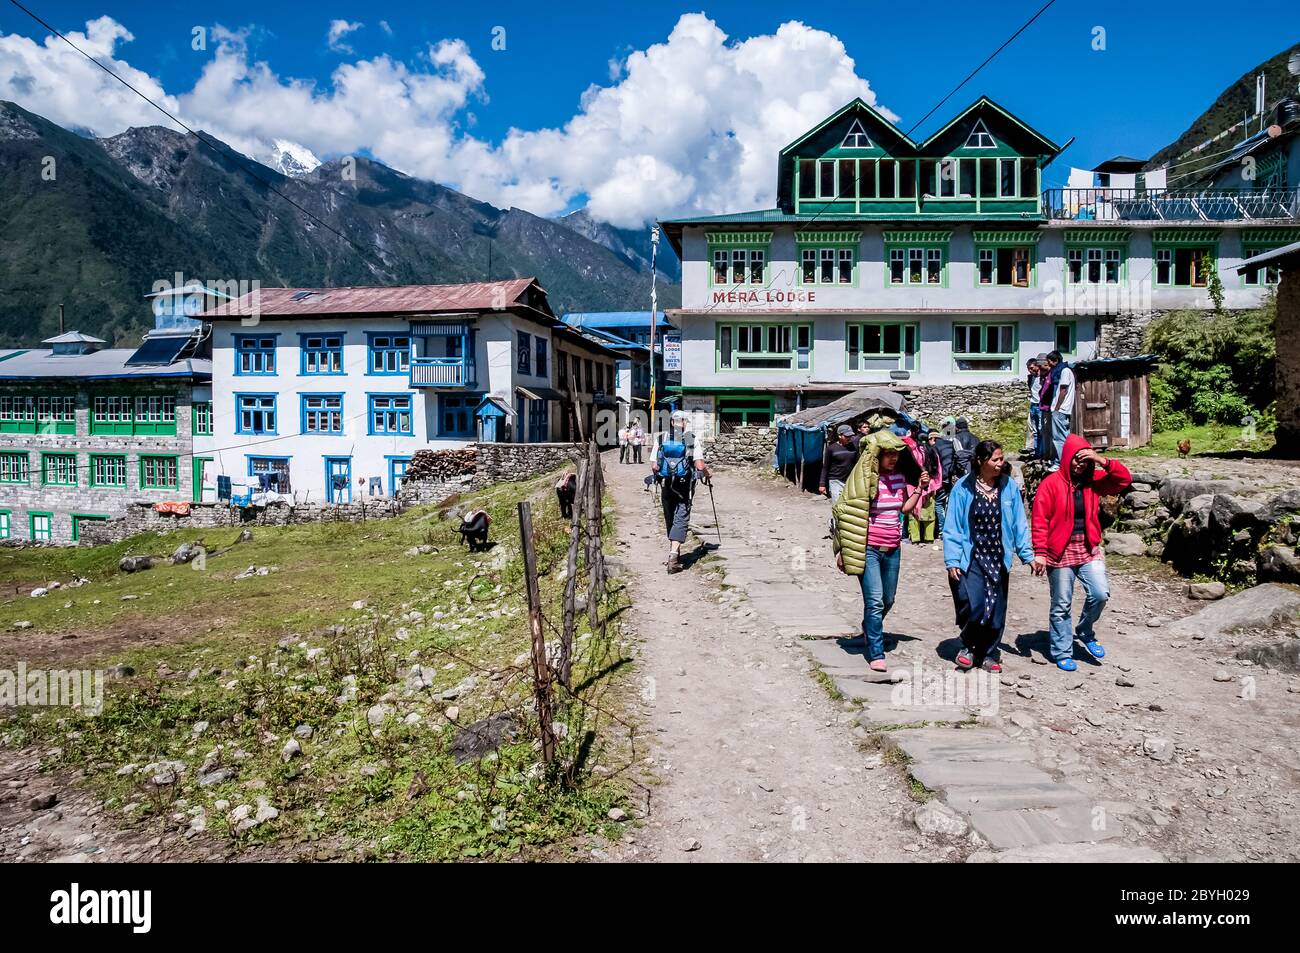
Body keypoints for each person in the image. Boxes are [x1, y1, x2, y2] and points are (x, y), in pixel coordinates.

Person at [1031, 434, 1132, 672]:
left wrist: (1100, 460)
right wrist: (1040, 552)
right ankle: (1062, 651)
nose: (1080, 465)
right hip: (1059, 553)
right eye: (1076, 459)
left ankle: (1085, 630)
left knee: (1100, 593)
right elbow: (1039, 520)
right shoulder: (1051, 484)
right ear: (1067, 458)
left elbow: (1123, 480)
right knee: (1061, 604)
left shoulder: (1093, 481)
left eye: (1084, 461)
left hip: (1087, 548)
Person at [832, 430, 929, 672]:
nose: (893, 459)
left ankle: (869, 627)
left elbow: (904, 509)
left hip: (893, 548)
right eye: (887, 455)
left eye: (895, 455)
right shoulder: (864, 484)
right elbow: (847, 516)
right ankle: (876, 652)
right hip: (870, 549)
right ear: (876, 457)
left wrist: (918, 489)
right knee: (874, 601)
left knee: (888, 599)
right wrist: (843, 549)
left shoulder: (897, 479)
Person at [943, 441, 1035, 672]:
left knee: (995, 609)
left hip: (998, 556)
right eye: (995, 459)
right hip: (971, 555)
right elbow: (953, 525)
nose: (1000, 463)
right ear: (980, 461)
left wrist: (1027, 554)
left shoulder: (1009, 487)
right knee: (973, 605)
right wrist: (952, 559)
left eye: (1001, 458)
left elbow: (1019, 523)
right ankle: (967, 644)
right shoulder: (963, 488)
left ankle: (988, 653)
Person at [654, 411, 711, 574]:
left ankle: (675, 552)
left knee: (670, 516)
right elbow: (699, 466)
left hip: (666, 483)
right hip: (684, 485)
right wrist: (707, 474)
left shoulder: (661, 438)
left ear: (672, 422)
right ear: (684, 423)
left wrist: (665, 471)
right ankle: (673, 555)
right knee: (681, 515)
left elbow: (654, 464)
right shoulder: (691, 439)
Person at [905, 423, 943, 545]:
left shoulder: (913, 451)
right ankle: (929, 537)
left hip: (913, 486)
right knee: (929, 512)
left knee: (914, 511)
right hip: (930, 485)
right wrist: (935, 484)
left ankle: (915, 538)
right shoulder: (933, 452)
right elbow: (938, 470)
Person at [1048, 350, 1076, 469]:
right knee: (1063, 436)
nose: (1049, 365)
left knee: (1059, 438)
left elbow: (1063, 390)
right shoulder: (1064, 370)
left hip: (1061, 409)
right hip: (1062, 409)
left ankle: (1060, 463)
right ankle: (1065, 461)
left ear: (1056, 360)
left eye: (1050, 362)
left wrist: (1057, 408)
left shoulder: (1064, 371)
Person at [819, 424, 858, 504]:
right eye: (847, 436)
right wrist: (822, 484)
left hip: (850, 480)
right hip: (835, 480)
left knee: (848, 504)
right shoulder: (831, 449)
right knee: (837, 504)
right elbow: (825, 467)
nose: (849, 438)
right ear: (840, 436)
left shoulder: (854, 447)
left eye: (850, 436)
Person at [928, 428, 953, 536]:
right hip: (950, 478)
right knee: (947, 504)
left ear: (933, 438)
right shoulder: (950, 444)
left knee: (938, 504)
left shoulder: (934, 447)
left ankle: (942, 530)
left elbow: (932, 465)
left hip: (939, 479)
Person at [1025, 355, 1045, 457]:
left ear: (1037, 366)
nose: (1030, 371)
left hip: (1040, 406)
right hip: (1033, 405)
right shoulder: (1031, 378)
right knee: (1035, 430)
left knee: (1041, 430)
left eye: (1032, 368)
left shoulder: (1043, 377)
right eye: (1028, 369)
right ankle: (1036, 452)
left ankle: (1042, 452)